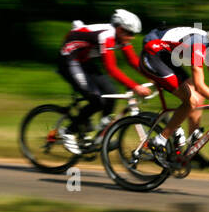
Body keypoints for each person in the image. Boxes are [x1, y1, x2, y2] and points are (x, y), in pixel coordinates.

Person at [139, 18, 209, 162]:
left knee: (199, 99)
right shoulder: (199, 46)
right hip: (153, 54)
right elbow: (200, 85)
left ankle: (192, 150)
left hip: (166, 56)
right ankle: (160, 140)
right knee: (191, 100)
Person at [57, 9, 152, 153]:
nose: (132, 38)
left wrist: (153, 77)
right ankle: (68, 131)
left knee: (111, 93)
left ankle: (101, 136)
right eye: (130, 33)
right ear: (120, 30)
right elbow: (111, 69)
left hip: (84, 59)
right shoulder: (106, 35)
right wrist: (135, 87)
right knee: (96, 100)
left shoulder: (121, 37)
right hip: (69, 59)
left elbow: (133, 61)